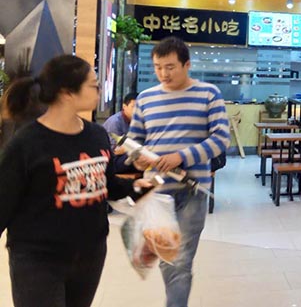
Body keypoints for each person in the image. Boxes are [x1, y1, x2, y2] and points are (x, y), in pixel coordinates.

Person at [0, 55, 150, 307]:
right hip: (38, 260)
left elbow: (107, 185)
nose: (99, 89)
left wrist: (137, 186)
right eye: (93, 84)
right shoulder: (26, 144)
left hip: (90, 255)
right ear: (67, 92)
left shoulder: (97, 135)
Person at [128, 37, 231, 307]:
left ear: (187, 65)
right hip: (156, 192)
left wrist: (181, 157)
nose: (163, 73)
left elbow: (221, 139)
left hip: (193, 189)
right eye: (158, 67)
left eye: (170, 67)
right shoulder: (146, 98)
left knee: (181, 259)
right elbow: (135, 141)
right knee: (167, 256)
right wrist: (137, 160)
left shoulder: (208, 94)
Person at [102, 92, 138, 173]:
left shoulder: (136, 122)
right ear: (124, 106)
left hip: (123, 157)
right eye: (133, 107)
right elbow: (114, 150)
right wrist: (136, 146)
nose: (136, 111)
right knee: (137, 155)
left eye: (139, 108)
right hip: (111, 161)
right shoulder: (115, 122)